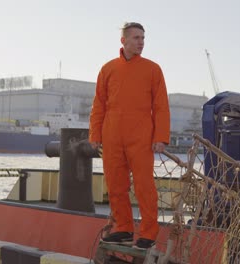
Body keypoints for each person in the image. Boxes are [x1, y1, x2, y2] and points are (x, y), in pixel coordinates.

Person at [89, 22, 170, 250]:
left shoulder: (153, 69)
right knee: (116, 185)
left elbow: (161, 106)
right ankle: (123, 229)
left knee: (145, 186)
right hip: (111, 135)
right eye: (136, 38)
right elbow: (99, 105)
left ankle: (148, 233)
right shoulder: (108, 69)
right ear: (123, 40)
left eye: (143, 38)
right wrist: (95, 133)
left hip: (141, 137)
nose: (141, 42)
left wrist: (160, 137)